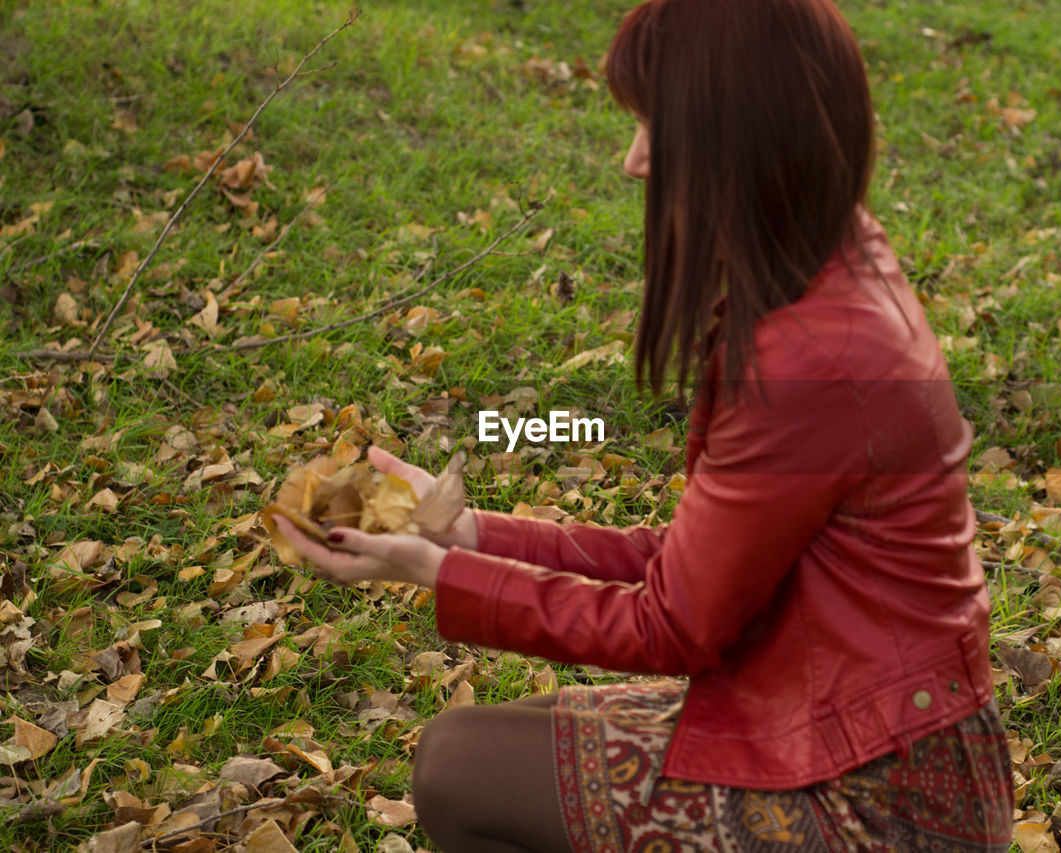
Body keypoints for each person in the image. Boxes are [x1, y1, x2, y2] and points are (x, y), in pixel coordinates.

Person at [276, 0, 1015, 849]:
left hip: (881, 795)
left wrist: (432, 570)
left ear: (738, 134)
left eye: (654, 127)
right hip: (850, 719)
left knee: (458, 767)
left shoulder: (814, 355)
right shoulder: (828, 269)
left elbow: (672, 625)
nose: (634, 161)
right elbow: (691, 566)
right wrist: (465, 530)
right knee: (501, 741)